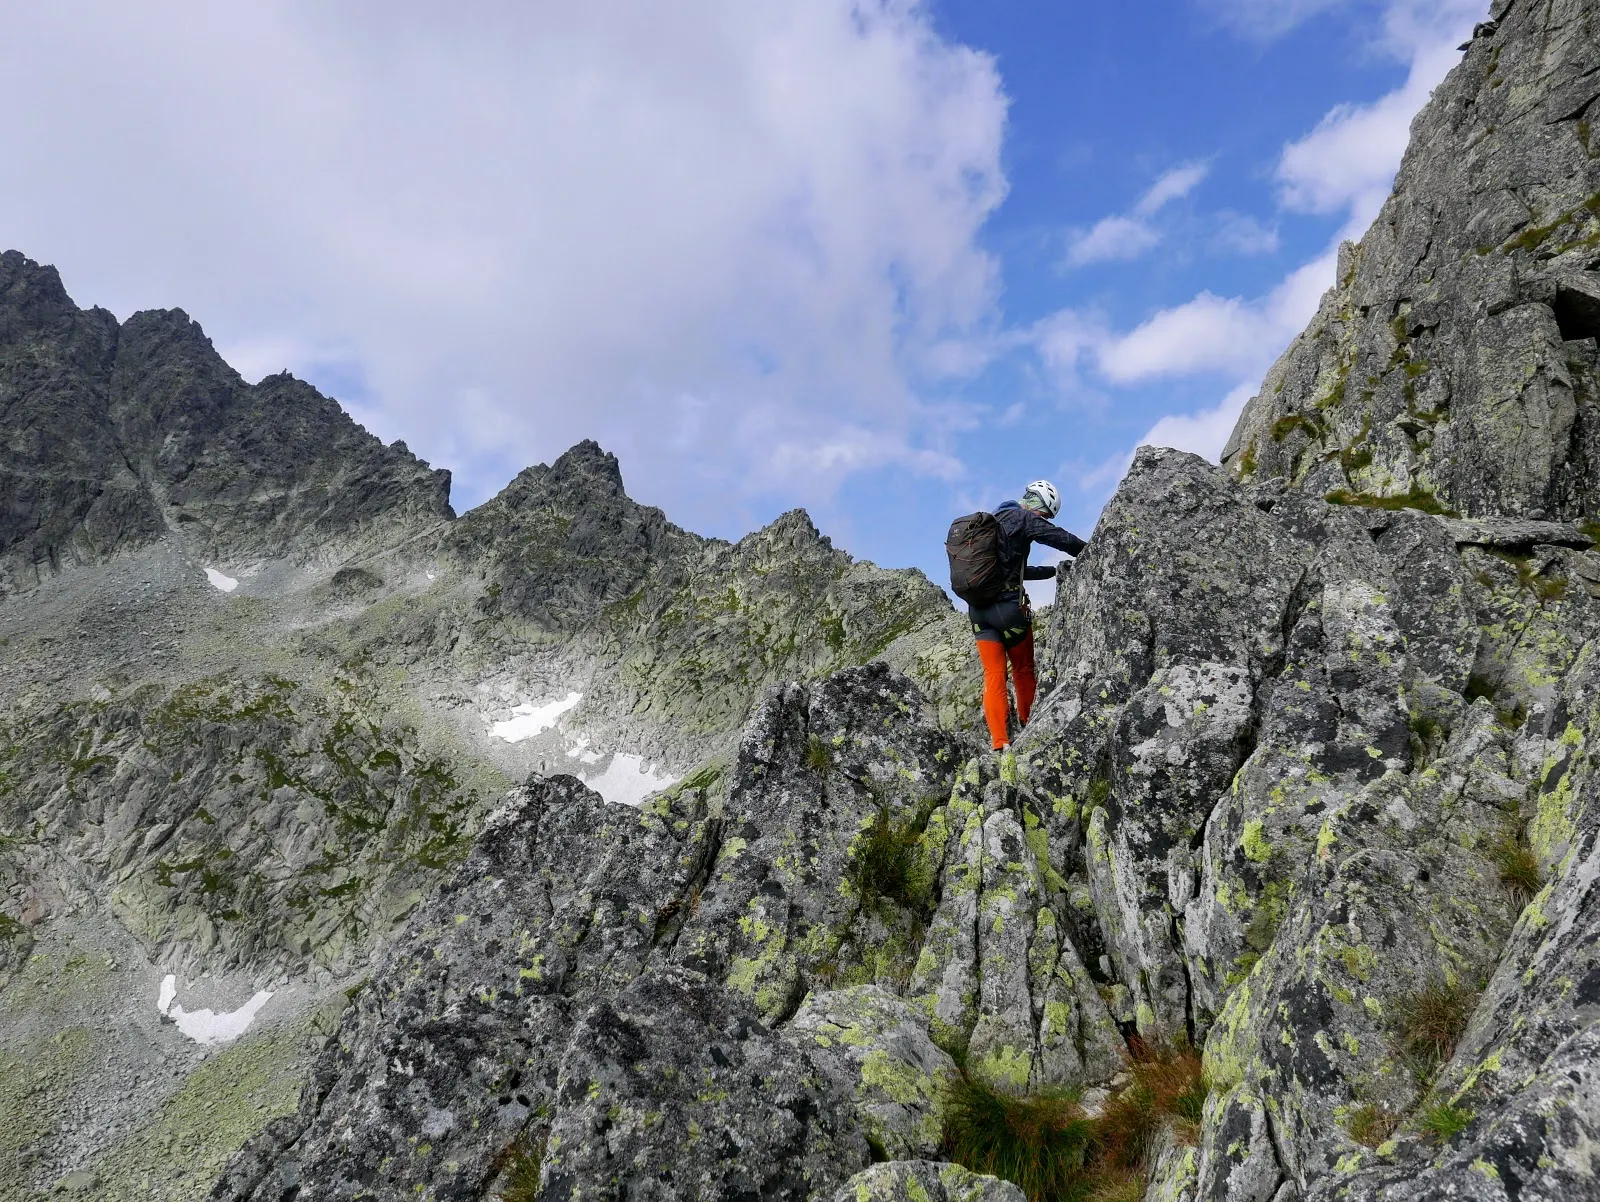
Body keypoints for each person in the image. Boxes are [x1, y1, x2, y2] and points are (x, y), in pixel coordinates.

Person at [968, 480, 1085, 750]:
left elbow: (1016, 571)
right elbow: (1061, 539)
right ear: (1038, 505)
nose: (1043, 519)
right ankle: (1028, 724)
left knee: (993, 673)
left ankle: (999, 742)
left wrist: (1051, 571)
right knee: (1022, 669)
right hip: (1009, 610)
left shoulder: (991, 523)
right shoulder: (1024, 517)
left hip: (978, 612)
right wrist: (1092, 551)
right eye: (1045, 514)